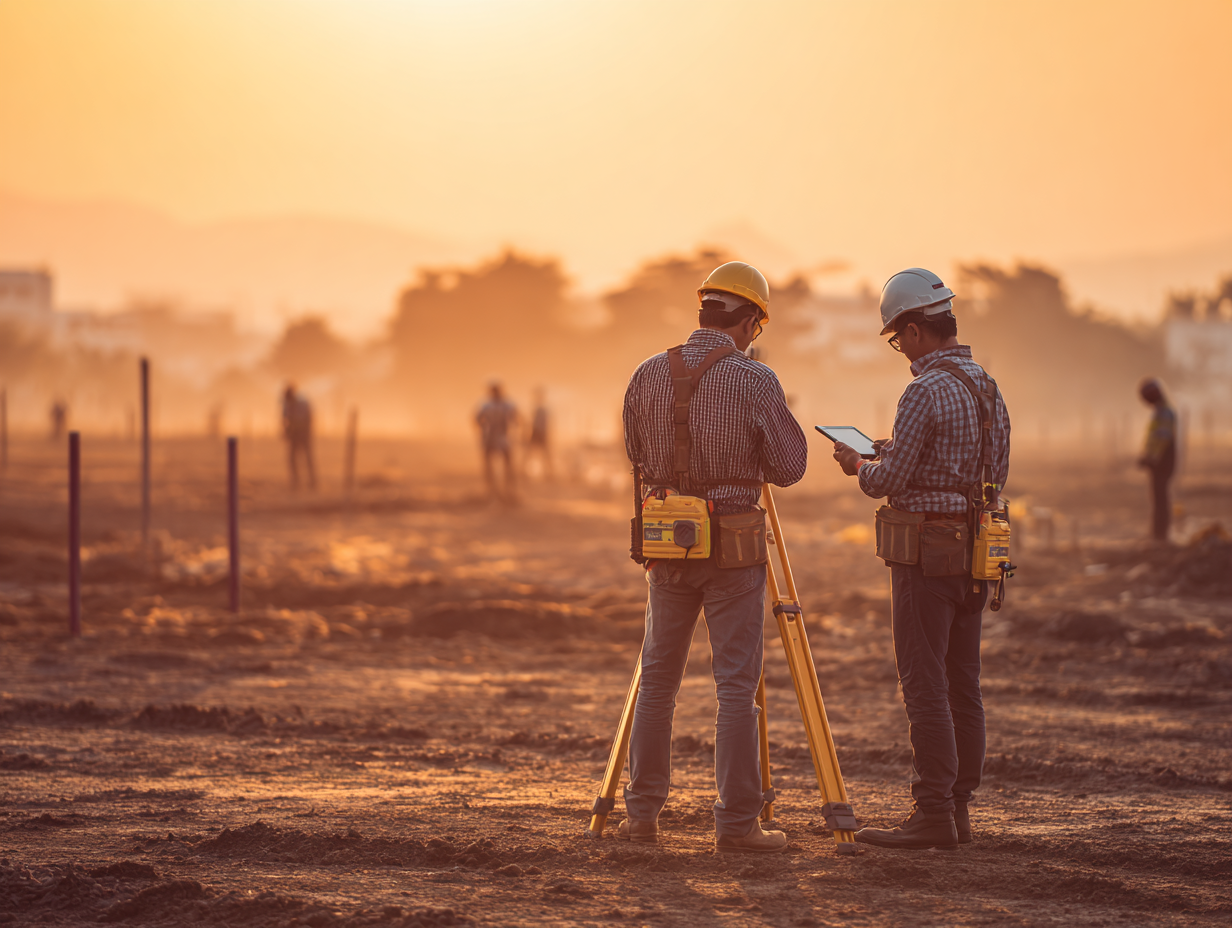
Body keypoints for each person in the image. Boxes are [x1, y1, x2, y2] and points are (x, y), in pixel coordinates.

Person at [619, 261, 807, 853]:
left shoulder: (647, 374)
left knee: (657, 682)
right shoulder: (755, 381)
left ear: (704, 311)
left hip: (667, 542)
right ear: (750, 320)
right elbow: (790, 467)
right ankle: (737, 826)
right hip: (733, 549)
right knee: (735, 688)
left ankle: (642, 815)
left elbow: (633, 450)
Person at [830, 268, 1010, 850]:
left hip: (924, 558)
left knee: (923, 681)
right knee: (964, 683)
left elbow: (887, 482)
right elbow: (993, 471)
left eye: (897, 337)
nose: (898, 349)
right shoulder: (987, 386)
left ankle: (931, 811)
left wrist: (859, 462)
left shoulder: (922, 391)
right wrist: (892, 448)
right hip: (977, 548)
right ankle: (957, 811)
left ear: (912, 330)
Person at [1136, 378, 1176, 542]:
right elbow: (1155, 439)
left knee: (1161, 498)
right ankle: (1157, 533)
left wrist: (1152, 458)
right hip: (1158, 460)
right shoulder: (1160, 411)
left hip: (1163, 460)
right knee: (1157, 497)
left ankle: (1161, 535)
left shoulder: (1165, 413)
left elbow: (1162, 438)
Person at [476, 381, 518, 500]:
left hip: (494, 437)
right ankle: (499, 489)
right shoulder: (506, 404)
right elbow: (516, 420)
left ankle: (499, 489)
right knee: (502, 463)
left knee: (499, 463)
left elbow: (478, 419)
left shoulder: (487, 405)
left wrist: (484, 429)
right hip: (500, 437)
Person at [281, 384, 316, 490]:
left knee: (307, 458)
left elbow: (309, 418)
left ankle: (312, 480)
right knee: (292, 459)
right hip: (294, 435)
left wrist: (306, 432)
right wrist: (287, 432)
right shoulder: (287, 404)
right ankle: (295, 480)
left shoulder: (303, 403)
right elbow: (284, 419)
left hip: (303, 434)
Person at [524, 387, 553, 479]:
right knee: (531, 454)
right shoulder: (540, 409)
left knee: (543, 454)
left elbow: (542, 423)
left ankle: (548, 473)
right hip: (538, 433)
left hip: (539, 433)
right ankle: (548, 473)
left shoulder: (542, 410)